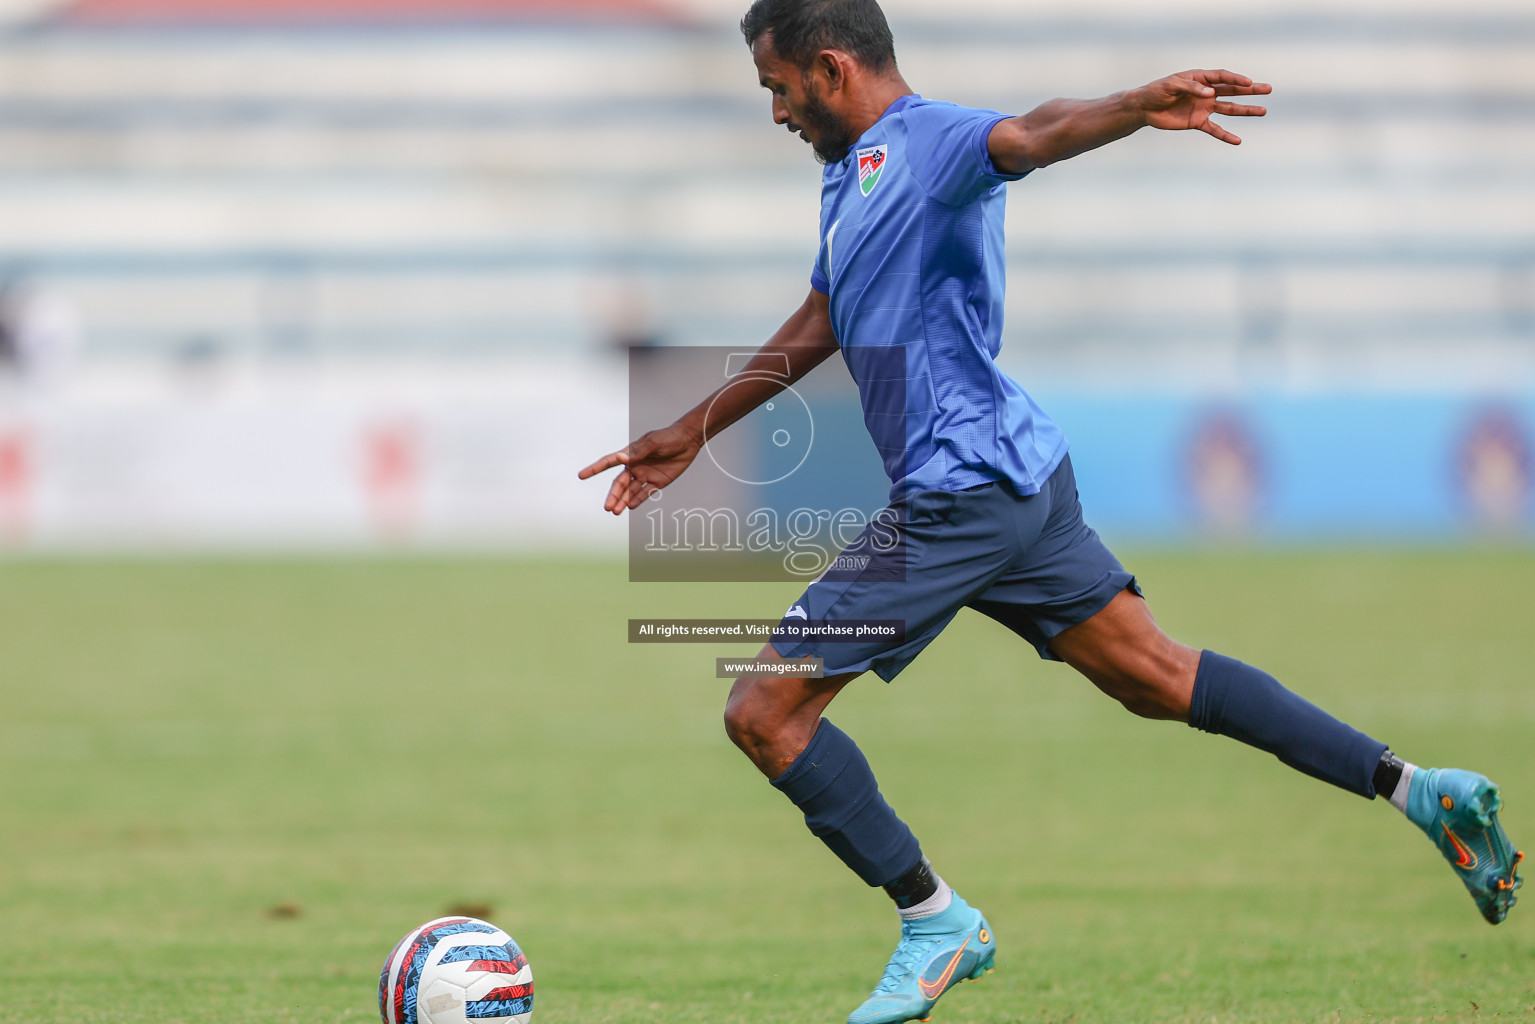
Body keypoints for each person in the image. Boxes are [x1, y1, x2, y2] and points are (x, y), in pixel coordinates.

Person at [579, 2, 1524, 1021]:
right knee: (1159, 676)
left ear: (831, 68)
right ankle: (1417, 788)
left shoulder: (931, 143)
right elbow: (821, 317)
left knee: (764, 712)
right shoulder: (844, 177)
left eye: (777, 89)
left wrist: (1130, 105)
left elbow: (1027, 134)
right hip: (1019, 480)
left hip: (958, 497)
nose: (774, 113)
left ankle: (933, 917)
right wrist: (696, 426)